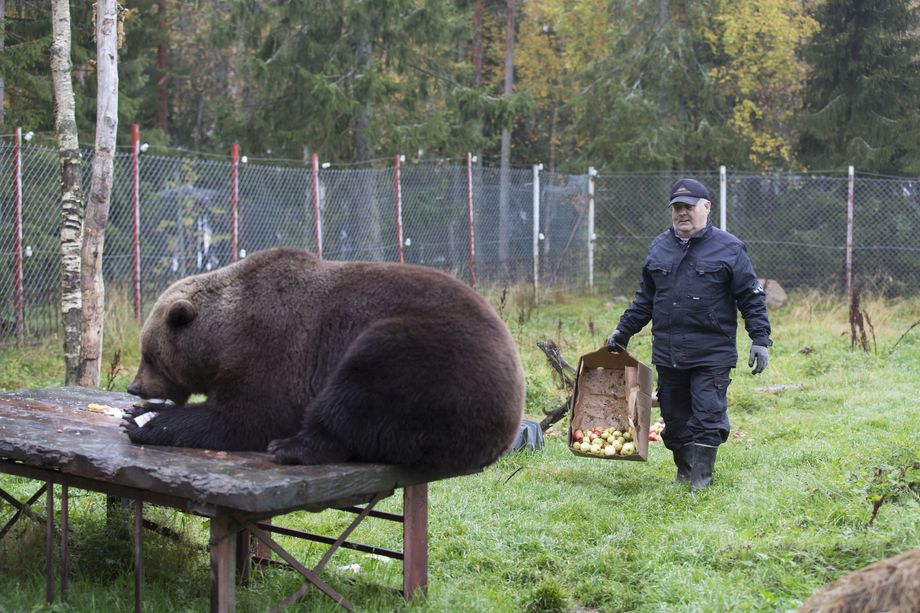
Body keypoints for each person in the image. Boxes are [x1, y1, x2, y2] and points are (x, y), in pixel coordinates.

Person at [607, 177, 772, 490]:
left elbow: (751, 297)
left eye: (689, 207)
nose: (682, 213)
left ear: (706, 207)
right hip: (669, 353)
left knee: (708, 413)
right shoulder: (659, 247)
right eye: (677, 208)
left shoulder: (730, 248)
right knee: (674, 414)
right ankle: (684, 474)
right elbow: (645, 300)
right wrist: (623, 331)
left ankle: (701, 480)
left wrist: (760, 340)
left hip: (711, 352)